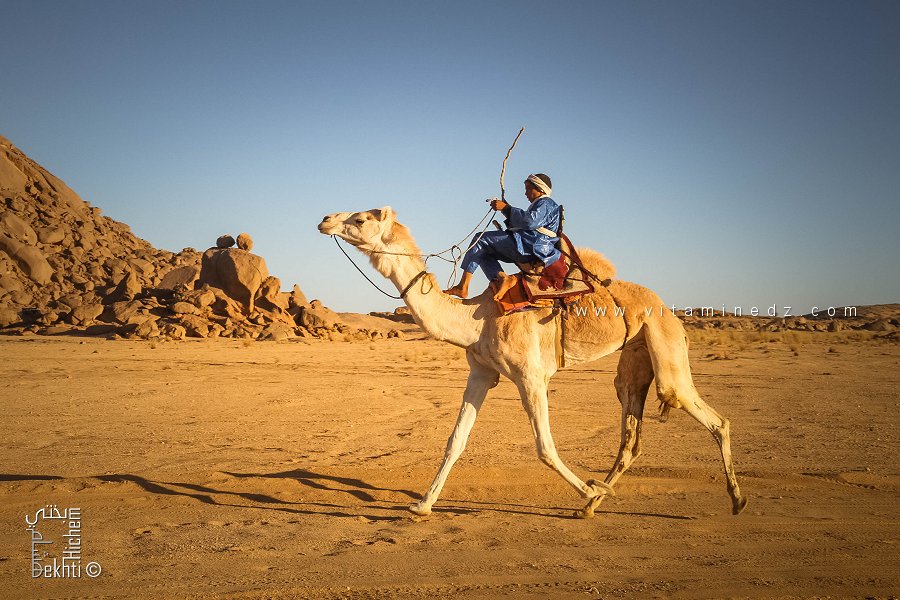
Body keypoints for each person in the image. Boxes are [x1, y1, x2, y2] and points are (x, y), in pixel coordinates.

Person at [444, 173, 561, 300]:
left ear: (540, 189)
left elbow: (529, 222)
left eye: (528, 189)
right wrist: (505, 209)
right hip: (528, 243)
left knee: (481, 239)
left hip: (530, 246)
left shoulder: (546, 203)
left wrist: (506, 208)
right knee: (482, 252)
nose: (525, 193)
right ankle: (502, 279)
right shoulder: (542, 204)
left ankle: (463, 287)